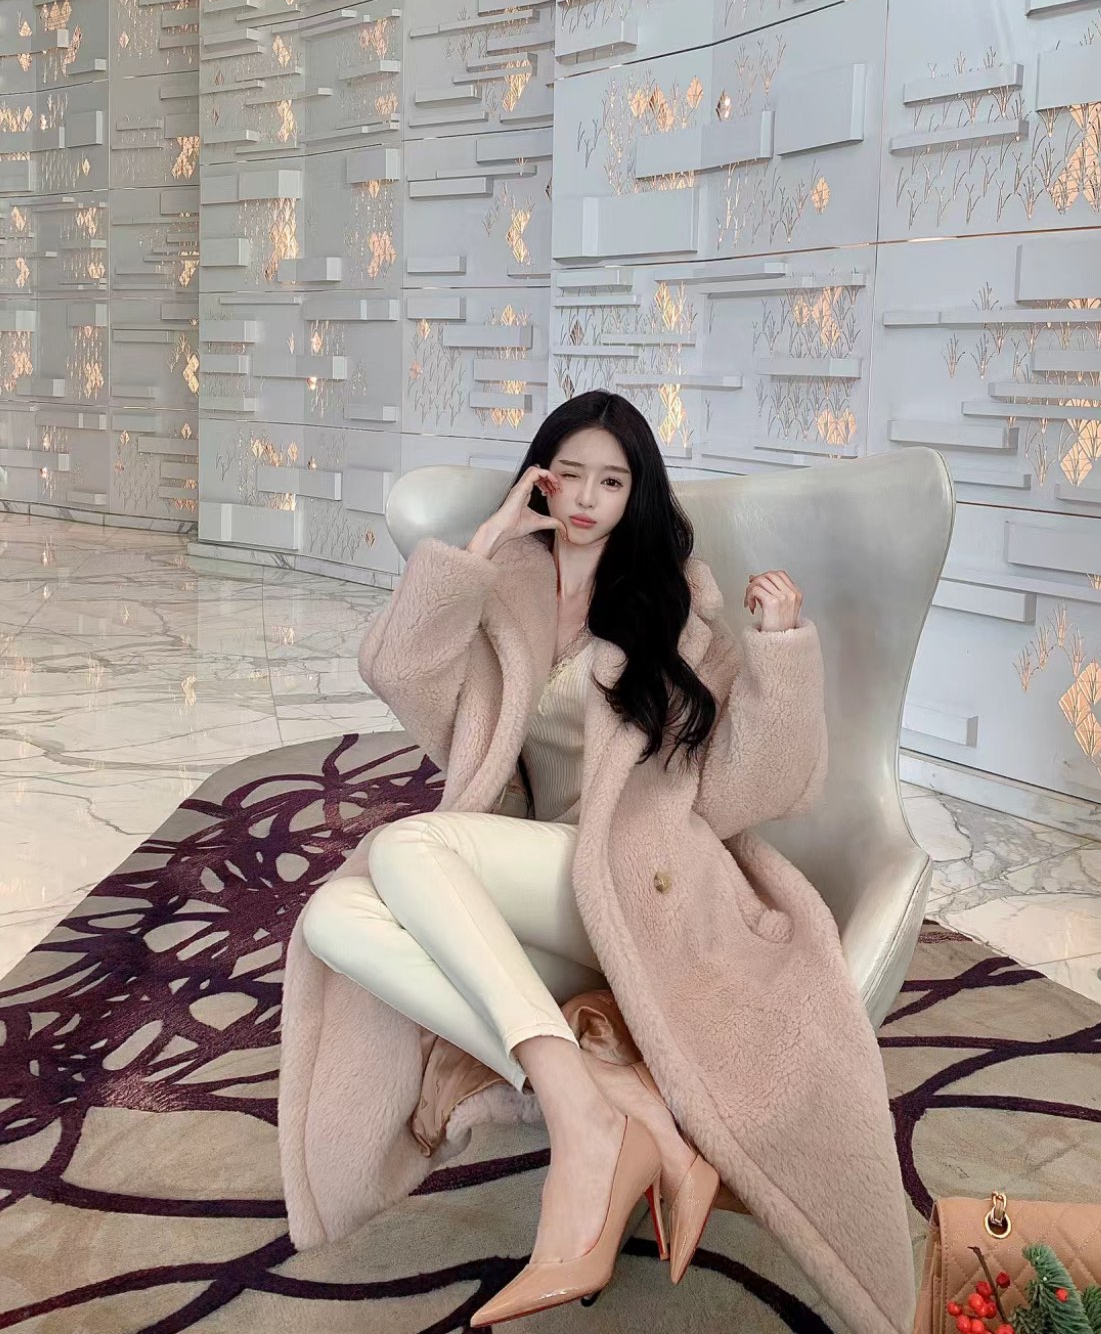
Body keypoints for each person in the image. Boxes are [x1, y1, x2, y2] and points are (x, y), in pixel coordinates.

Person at [283, 389, 915, 1334]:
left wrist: (782, 650)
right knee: (333, 917)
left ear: (637, 493)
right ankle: (599, 1096)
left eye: (610, 481)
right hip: (539, 891)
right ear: (539, 479)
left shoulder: (675, 610)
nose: (585, 498)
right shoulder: (505, 591)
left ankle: (586, 1118)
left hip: (638, 885)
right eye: (568, 474)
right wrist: (480, 545)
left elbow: (751, 789)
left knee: (408, 844)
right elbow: (400, 672)